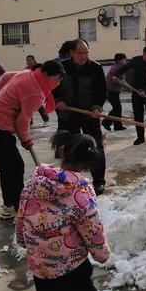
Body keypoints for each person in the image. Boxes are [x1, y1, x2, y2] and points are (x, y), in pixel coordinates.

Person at [16, 131, 110, 291]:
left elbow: (21, 219)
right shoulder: (81, 193)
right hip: (72, 264)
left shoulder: (32, 185)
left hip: (40, 266)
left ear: (63, 151)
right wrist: (101, 254)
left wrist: (23, 241)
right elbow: (92, 229)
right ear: (88, 164)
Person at [0, 60, 64, 219]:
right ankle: (20, 211)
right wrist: (26, 140)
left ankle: (9, 206)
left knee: (7, 167)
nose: (58, 83)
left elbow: (4, 77)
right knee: (16, 166)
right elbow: (22, 121)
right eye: (57, 79)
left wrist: (2, 96)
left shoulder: (28, 74)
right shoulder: (36, 93)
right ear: (45, 75)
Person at [53, 39, 107, 195]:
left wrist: (97, 107)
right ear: (71, 53)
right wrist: (58, 101)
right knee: (68, 149)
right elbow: (53, 88)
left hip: (89, 115)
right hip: (67, 114)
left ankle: (99, 182)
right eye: (80, 53)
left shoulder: (95, 68)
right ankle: (69, 181)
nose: (84, 56)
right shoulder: (62, 67)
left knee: (95, 147)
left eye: (86, 53)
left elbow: (101, 91)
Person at [115, 46, 146, 146]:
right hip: (136, 92)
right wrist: (116, 74)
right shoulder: (136, 60)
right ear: (144, 54)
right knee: (138, 115)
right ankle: (140, 137)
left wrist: (145, 90)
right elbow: (125, 68)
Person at [102, 53, 127, 132]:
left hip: (112, 91)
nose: (125, 61)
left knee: (118, 109)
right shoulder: (118, 69)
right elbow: (121, 82)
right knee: (117, 109)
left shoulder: (115, 67)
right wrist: (130, 88)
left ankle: (117, 125)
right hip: (112, 92)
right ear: (119, 61)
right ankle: (106, 122)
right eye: (124, 59)